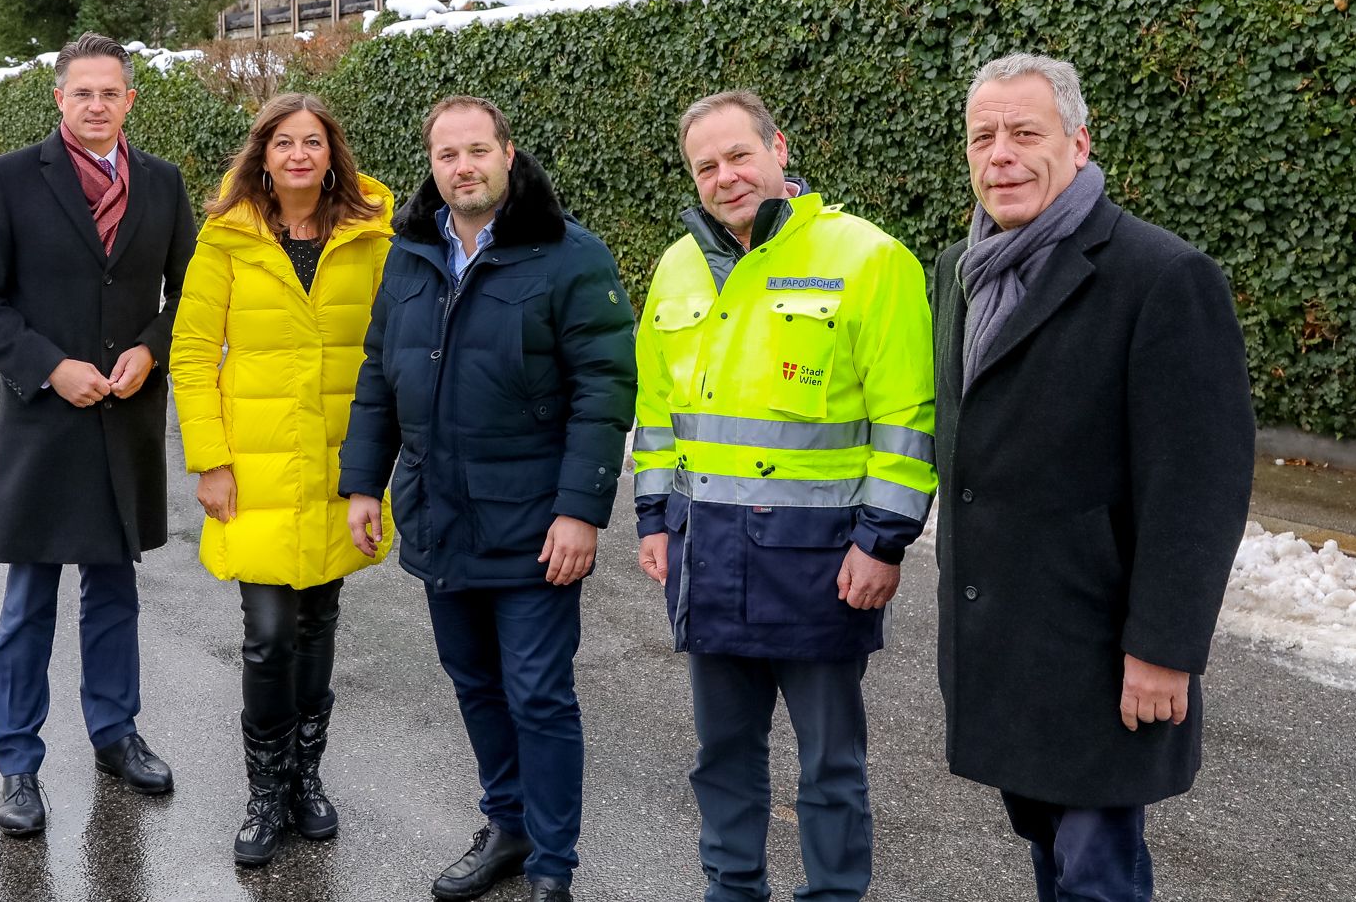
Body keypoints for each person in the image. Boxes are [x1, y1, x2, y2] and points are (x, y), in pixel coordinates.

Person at [930, 53, 1254, 902]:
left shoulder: (1162, 276)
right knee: (1053, 859)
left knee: (1096, 871)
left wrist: (1164, 647)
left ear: (1078, 142)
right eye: (982, 136)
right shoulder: (961, 275)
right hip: (1005, 641)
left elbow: (1201, 485)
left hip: (1100, 644)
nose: (999, 153)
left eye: (1024, 132)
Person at [631, 90, 937, 902]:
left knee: (830, 764)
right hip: (708, 555)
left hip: (822, 563)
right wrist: (655, 519)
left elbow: (906, 418)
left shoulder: (869, 258)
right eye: (706, 166)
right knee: (721, 755)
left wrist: (882, 540)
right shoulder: (676, 266)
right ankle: (731, 889)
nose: (726, 177)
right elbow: (658, 415)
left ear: (779, 149)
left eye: (739, 156)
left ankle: (834, 894)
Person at [340, 96, 636, 902]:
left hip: (537, 521)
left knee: (538, 690)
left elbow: (604, 391)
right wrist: (363, 480)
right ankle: (507, 822)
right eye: (447, 155)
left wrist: (581, 509)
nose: (462, 167)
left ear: (507, 153)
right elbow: (378, 375)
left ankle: (553, 861)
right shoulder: (409, 255)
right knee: (472, 680)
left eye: (477, 150)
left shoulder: (570, 256)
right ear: (431, 165)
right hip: (441, 514)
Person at [0, 31, 195, 837]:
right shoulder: (12, 180)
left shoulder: (162, 184)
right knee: (29, 601)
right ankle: (18, 761)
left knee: (115, 590)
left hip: (125, 420)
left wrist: (151, 349)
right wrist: (50, 367)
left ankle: (115, 731)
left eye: (110, 92)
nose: (97, 104)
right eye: (82, 91)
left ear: (130, 99)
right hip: (43, 423)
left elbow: (190, 296)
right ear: (60, 98)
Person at [169, 92, 397, 867]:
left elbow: (386, 356)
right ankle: (265, 791)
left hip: (336, 464)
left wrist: (376, 465)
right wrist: (211, 460)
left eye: (313, 141)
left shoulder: (370, 239)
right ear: (262, 155)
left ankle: (306, 779)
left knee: (318, 625)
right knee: (268, 636)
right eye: (283, 142)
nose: (299, 154)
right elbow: (194, 354)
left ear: (333, 154)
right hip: (255, 470)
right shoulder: (226, 240)